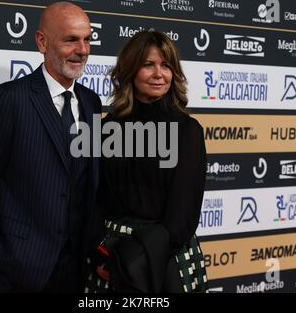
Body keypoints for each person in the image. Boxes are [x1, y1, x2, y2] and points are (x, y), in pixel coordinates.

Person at [0, 2, 101, 292]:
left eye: (87, 39)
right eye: (70, 40)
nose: (82, 50)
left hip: (77, 268)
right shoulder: (8, 100)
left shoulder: (92, 103)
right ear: (42, 41)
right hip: (19, 268)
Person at [85, 30, 208, 293]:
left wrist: (133, 260)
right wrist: (99, 254)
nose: (158, 74)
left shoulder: (187, 131)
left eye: (166, 66)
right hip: (108, 257)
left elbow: (182, 216)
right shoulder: (107, 127)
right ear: (130, 70)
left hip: (163, 259)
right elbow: (92, 197)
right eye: (148, 65)